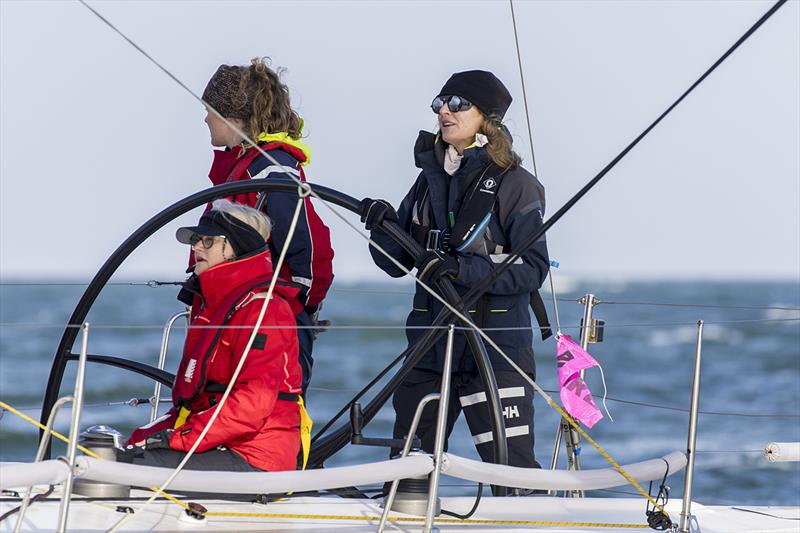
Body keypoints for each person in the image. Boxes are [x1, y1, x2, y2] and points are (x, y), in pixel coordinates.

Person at [361, 70, 550, 477]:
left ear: (487, 117)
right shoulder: (428, 181)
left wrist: (461, 268)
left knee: (510, 472)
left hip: (495, 351)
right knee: (406, 470)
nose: (444, 110)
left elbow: (532, 269)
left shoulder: (517, 186)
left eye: (458, 103)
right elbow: (393, 263)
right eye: (440, 103)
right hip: (430, 348)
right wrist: (382, 226)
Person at [122, 200, 304, 472]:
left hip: (257, 457)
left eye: (208, 241)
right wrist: (140, 441)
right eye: (196, 240)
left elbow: (253, 403)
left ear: (235, 248)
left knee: (127, 467)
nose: (196, 247)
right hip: (217, 443)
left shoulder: (264, 310)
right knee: (112, 453)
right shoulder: (214, 304)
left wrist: (179, 438)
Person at [199, 58, 334, 395]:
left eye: (209, 111)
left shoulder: (272, 169)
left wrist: (299, 303)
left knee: (277, 411)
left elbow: (308, 245)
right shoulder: (240, 169)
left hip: (270, 321)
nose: (204, 119)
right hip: (236, 316)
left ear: (232, 120)